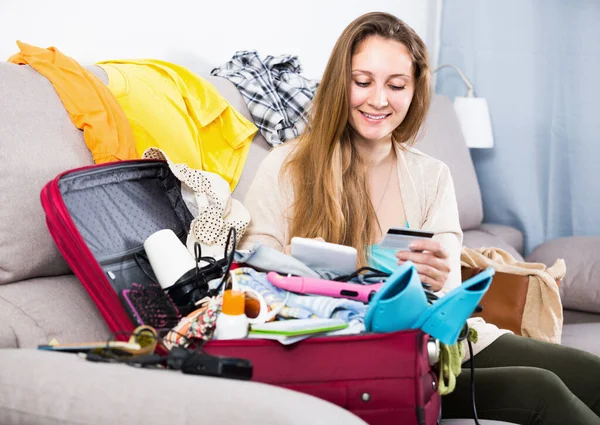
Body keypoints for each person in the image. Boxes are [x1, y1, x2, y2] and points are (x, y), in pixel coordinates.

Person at [240, 11, 600, 425]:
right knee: (542, 389)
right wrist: (299, 266)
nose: (379, 100)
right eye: (363, 82)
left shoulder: (432, 177)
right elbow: (251, 273)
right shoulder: (287, 166)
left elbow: (446, 297)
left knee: (592, 375)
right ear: (341, 83)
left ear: (414, 92)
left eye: (396, 86)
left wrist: (439, 278)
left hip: (432, 344)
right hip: (346, 359)